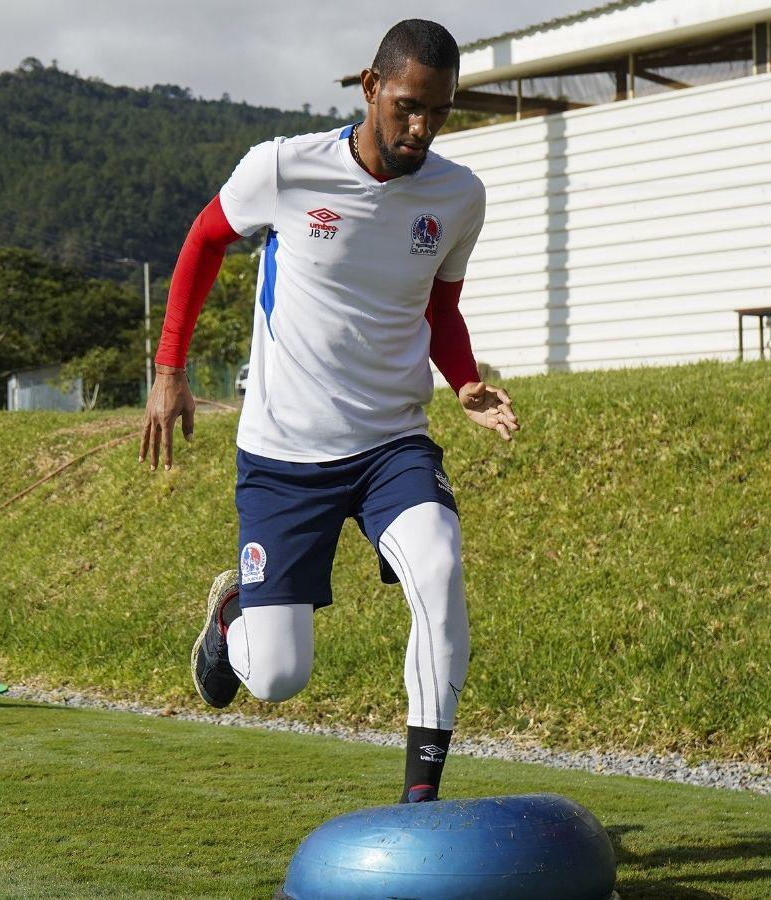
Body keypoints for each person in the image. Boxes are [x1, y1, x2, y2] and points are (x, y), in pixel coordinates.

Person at [139, 19, 519, 804]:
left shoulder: (457, 196)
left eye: (440, 112)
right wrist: (169, 369)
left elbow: (439, 306)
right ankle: (230, 615)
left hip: (392, 444)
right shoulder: (282, 168)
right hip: (285, 456)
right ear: (371, 86)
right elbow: (204, 241)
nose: (421, 128)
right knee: (278, 675)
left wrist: (463, 380)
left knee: (440, 567)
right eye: (409, 106)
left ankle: (420, 802)